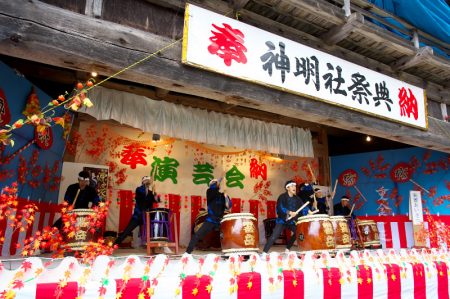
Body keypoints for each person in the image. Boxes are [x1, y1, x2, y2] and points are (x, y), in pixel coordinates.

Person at [263, 180, 314, 253]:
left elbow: (303, 206)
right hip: (282, 220)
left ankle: (287, 248)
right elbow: (280, 207)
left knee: (298, 232)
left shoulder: (297, 198)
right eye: (292, 186)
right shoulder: (282, 197)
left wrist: (309, 212)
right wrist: (289, 212)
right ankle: (264, 252)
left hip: (292, 221)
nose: (294, 187)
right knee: (274, 236)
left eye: (295, 186)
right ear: (287, 188)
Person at [186, 178, 231, 254]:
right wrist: (217, 182)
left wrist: (227, 198)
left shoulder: (223, 195)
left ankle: (229, 253)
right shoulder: (209, 192)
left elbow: (228, 206)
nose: (214, 184)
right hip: (211, 220)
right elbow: (213, 187)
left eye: (215, 183)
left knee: (228, 236)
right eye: (213, 183)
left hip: (220, 221)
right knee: (197, 235)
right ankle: (187, 252)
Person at [114, 176, 160, 245]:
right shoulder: (139, 189)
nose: (148, 182)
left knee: (153, 230)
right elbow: (142, 196)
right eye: (146, 180)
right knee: (127, 230)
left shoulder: (151, 193)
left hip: (147, 215)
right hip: (138, 215)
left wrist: (156, 197)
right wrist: (148, 191)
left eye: (149, 181)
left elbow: (157, 201)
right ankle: (115, 244)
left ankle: (154, 245)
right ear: (143, 182)